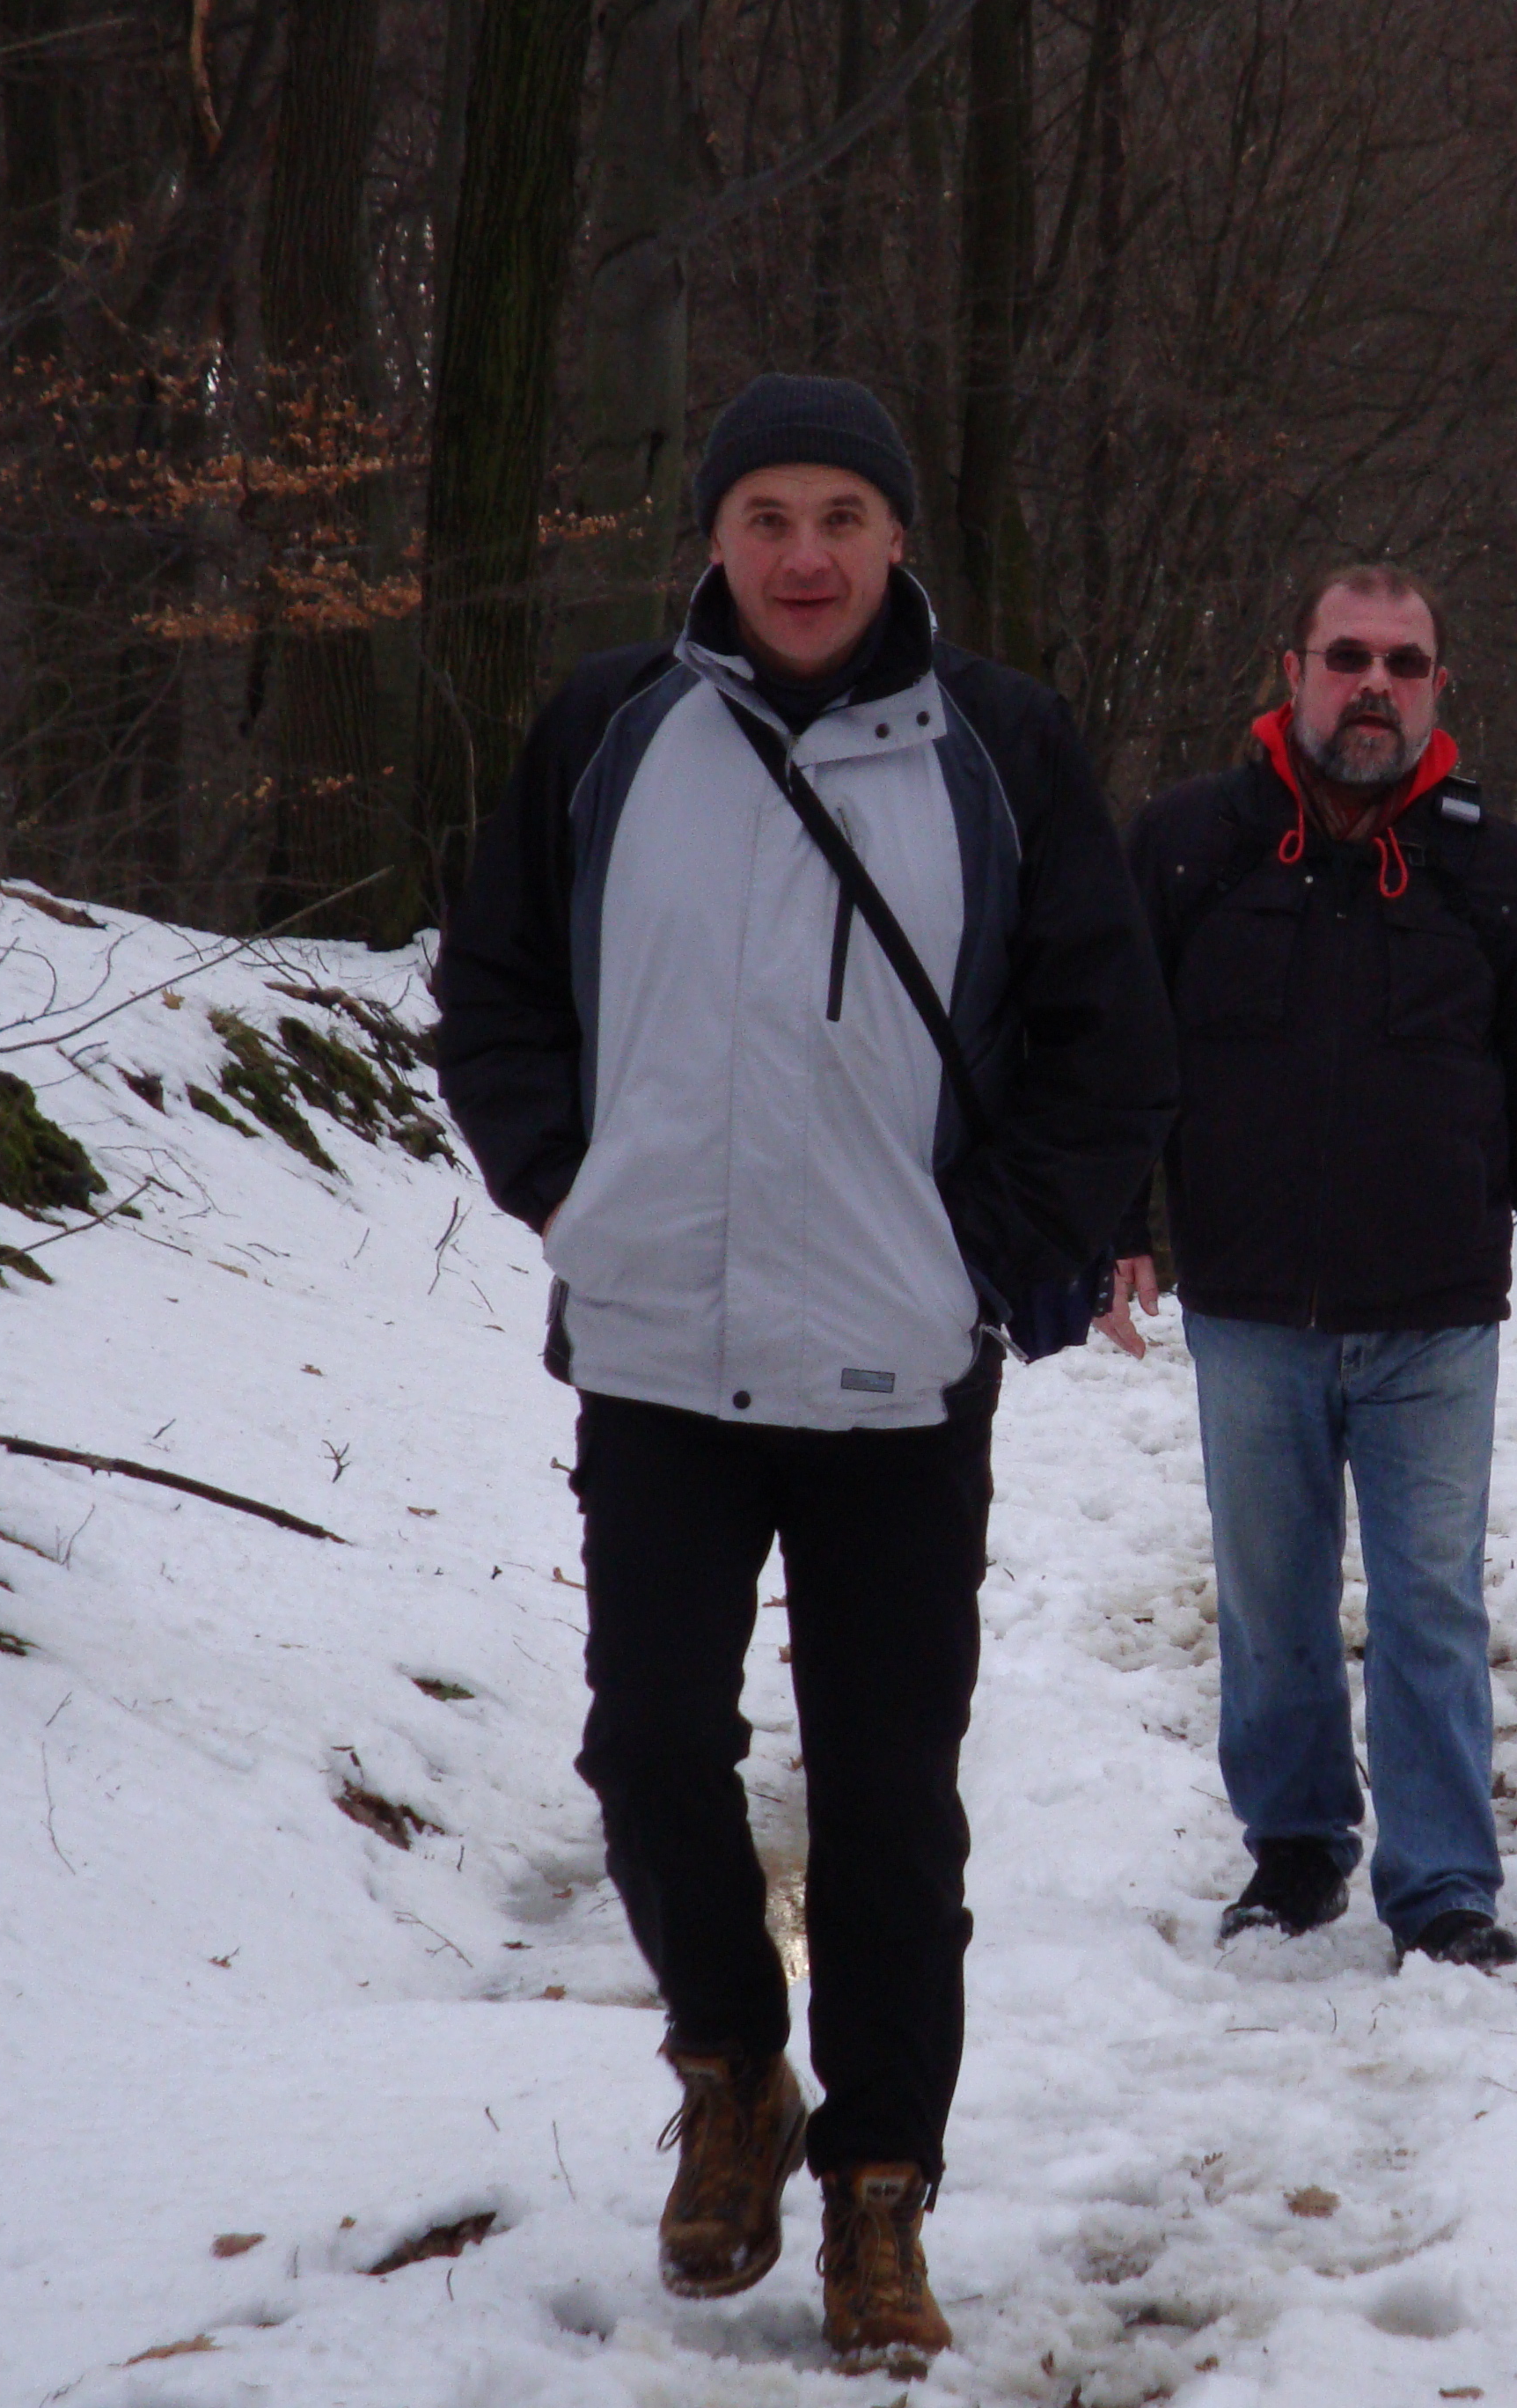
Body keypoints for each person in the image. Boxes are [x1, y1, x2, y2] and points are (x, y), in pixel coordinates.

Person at [434, 374, 1172, 2364]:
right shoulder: (610, 729)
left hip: (892, 1377)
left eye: (842, 515)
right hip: (659, 1356)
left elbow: (1109, 1039)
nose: (804, 554)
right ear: (714, 537)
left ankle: (879, 2190)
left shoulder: (1002, 745)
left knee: (886, 1805)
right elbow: (494, 989)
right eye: (766, 515)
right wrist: (573, 1193)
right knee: (650, 1747)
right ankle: (732, 2071)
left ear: (898, 537)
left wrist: (973, 1261)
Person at [1099, 564, 1517, 1973]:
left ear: (1439, 688)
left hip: (1435, 1318)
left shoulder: (1494, 871)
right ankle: (1293, 1852)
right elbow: (1118, 1053)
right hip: (1251, 1311)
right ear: (1294, 674)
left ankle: (1444, 1884)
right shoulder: (1188, 846)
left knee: (1431, 1609)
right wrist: (1111, 1222)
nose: (1375, 686)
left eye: (1404, 663)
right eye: (1349, 658)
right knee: (1270, 1606)